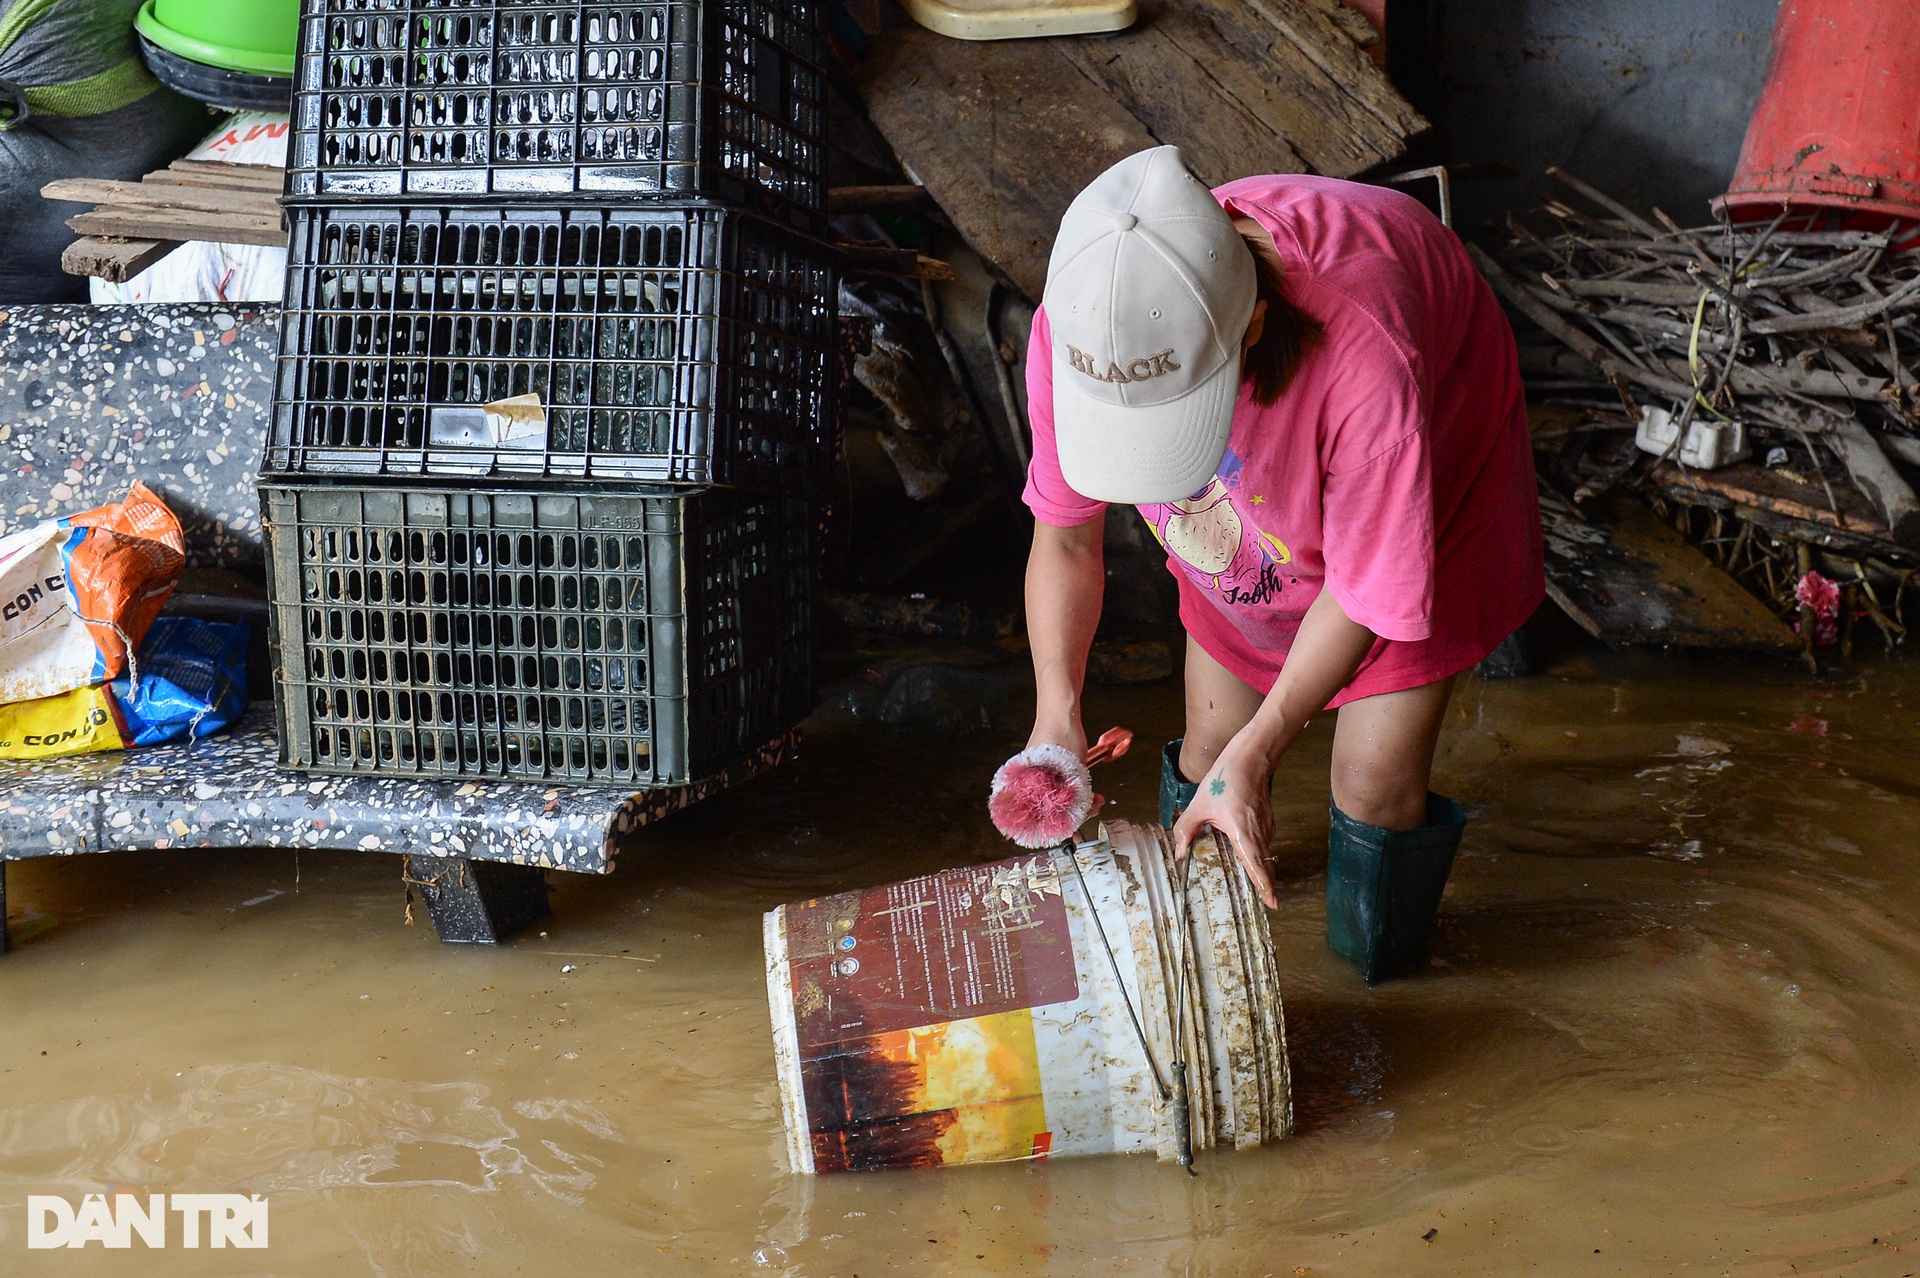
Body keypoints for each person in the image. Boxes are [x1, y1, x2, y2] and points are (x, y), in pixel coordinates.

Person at [1019, 146, 1543, 983]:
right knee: (1208, 753)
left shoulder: (1370, 359)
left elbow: (1368, 590)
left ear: (1252, 326)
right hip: (1265, 457)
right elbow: (1066, 534)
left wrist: (1264, 751)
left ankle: (1382, 983)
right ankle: (1194, 964)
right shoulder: (1082, 323)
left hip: (1428, 408)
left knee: (1370, 786)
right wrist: (1057, 713)